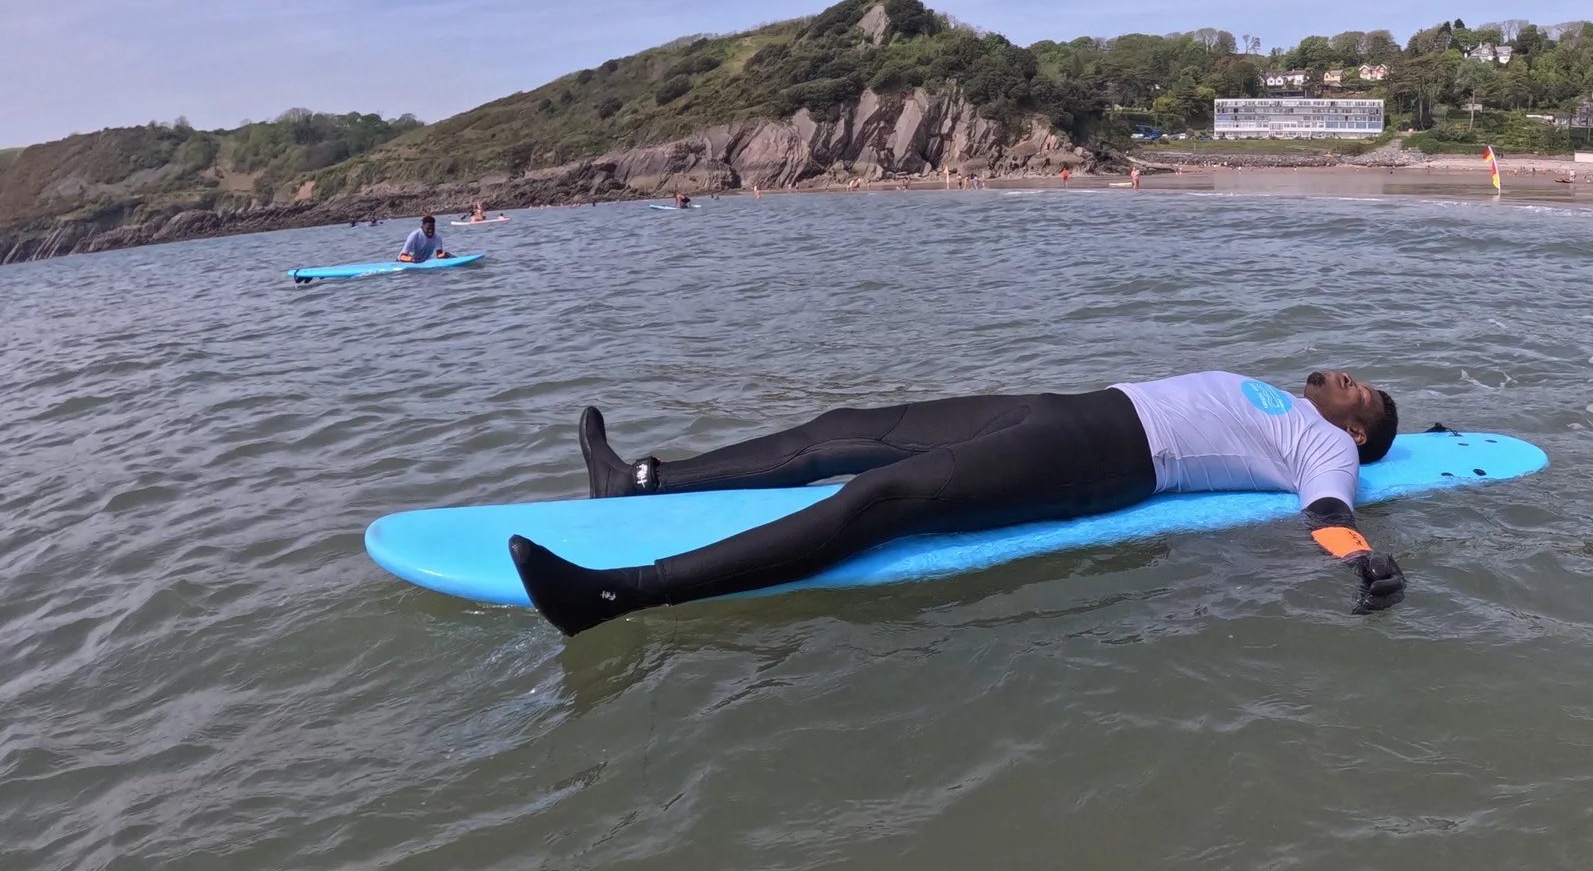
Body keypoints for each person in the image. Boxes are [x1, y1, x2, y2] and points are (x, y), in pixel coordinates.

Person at [511, 369, 1408, 637]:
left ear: (1361, 433)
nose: (1341, 379)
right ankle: (638, 482)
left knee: (886, 495)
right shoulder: (1288, 400)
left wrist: (1362, 560)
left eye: (1359, 389)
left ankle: (622, 593)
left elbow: (1326, 513)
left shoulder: (1325, 445)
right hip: (1070, 408)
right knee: (848, 426)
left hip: (1111, 455)